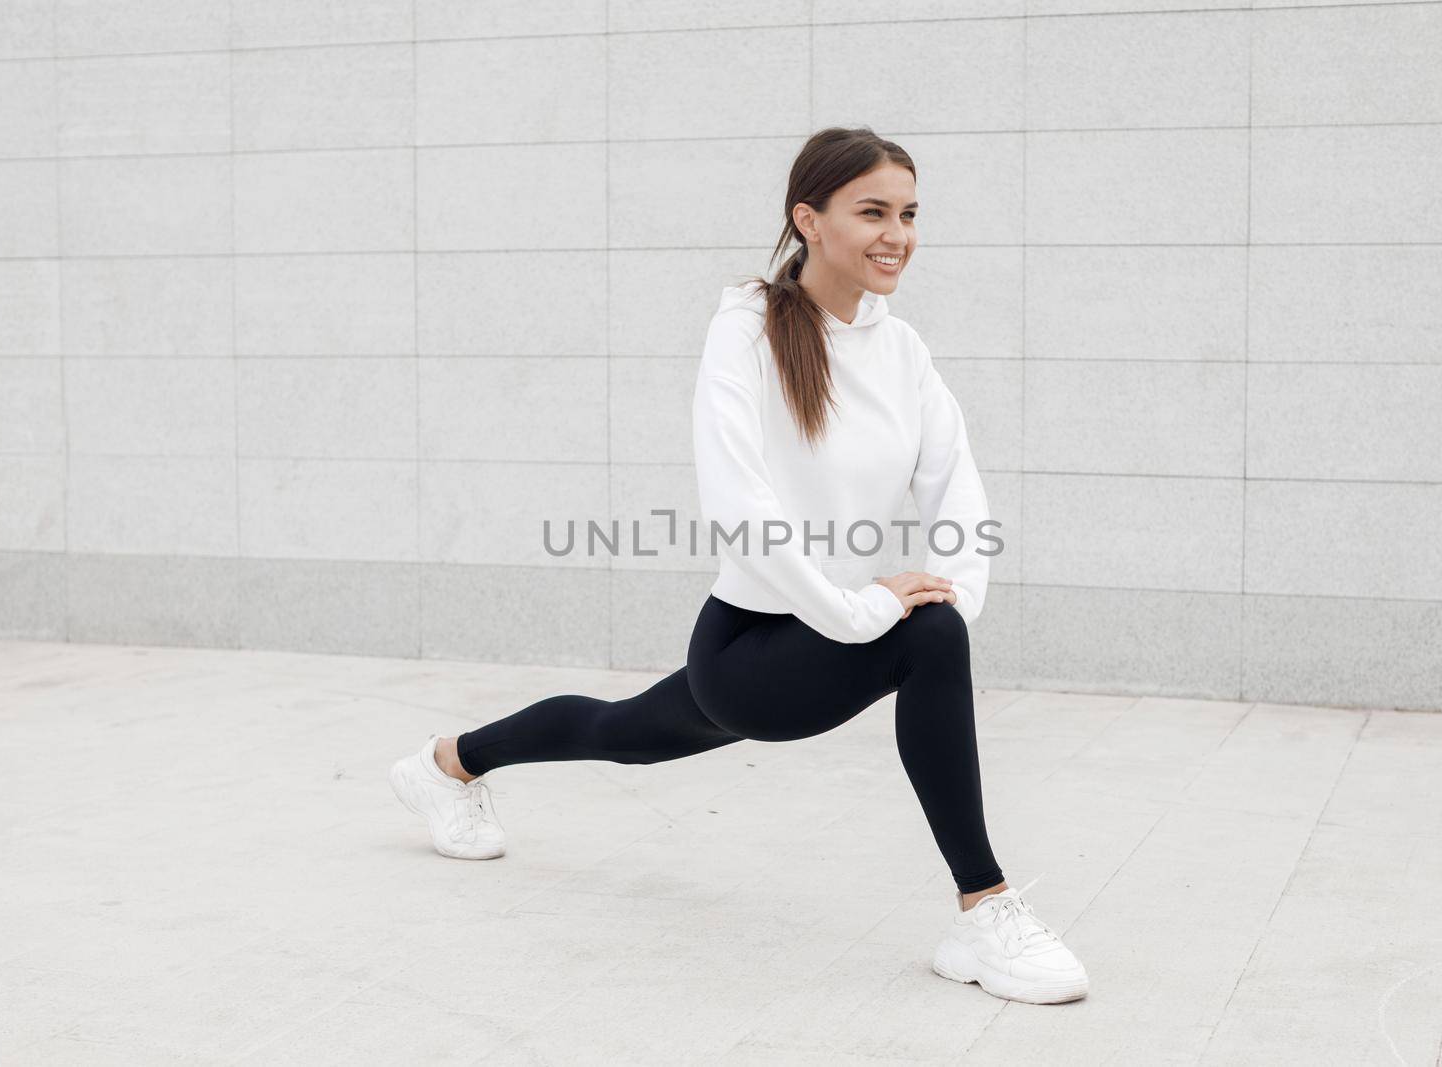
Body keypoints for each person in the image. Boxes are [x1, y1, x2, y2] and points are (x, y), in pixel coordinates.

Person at [390, 126, 1088, 1005]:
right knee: (922, 638)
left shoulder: (902, 350)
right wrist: (863, 609)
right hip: (751, 648)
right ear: (810, 218)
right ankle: (984, 909)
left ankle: (446, 764)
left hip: (835, 630)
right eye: (872, 211)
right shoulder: (747, 330)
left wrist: (946, 589)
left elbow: (958, 487)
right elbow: (739, 503)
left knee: (621, 732)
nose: (897, 235)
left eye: (910, 214)